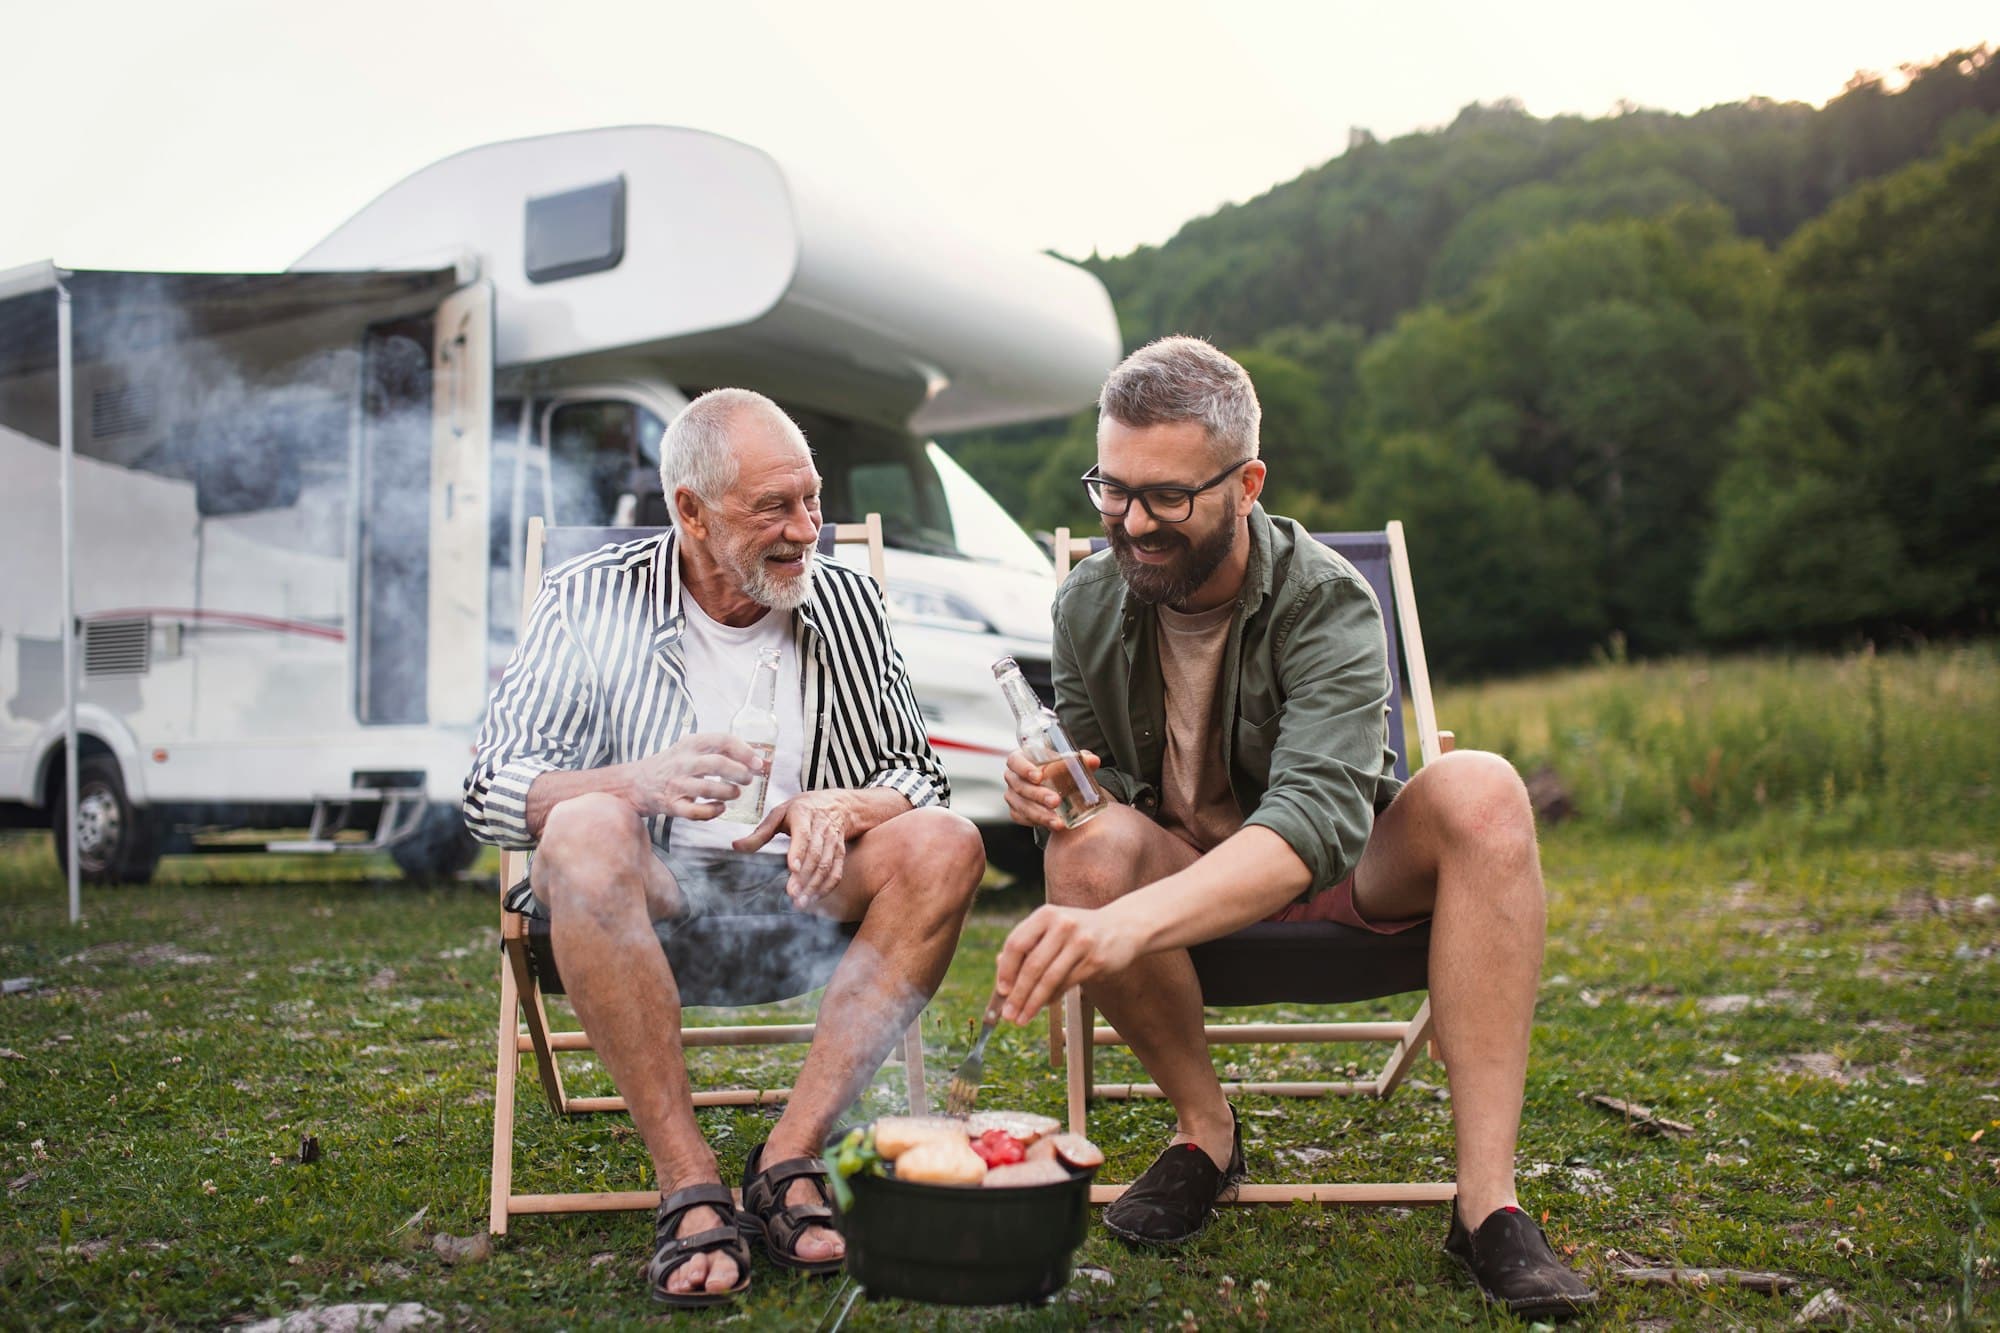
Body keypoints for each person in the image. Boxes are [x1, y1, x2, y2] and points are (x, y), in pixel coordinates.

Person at [992, 337, 1596, 1320]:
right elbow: (1100, 803)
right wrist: (1049, 796)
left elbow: (1316, 822)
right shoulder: (1086, 604)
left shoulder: (1326, 600)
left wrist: (1115, 928)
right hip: (1184, 864)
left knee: (1481, 785)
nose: (1131, 523)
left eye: (1166, 497)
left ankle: (1486, 1204)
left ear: (1247, 482)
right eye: (1112, 487)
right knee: (1087, 843)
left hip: (1347, 865)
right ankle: (1205, 1134)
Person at [464, 388, 983, 1309]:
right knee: (584, 826)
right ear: (690, 511)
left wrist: (842, 802)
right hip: (650, 891)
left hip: (801, 890)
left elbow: (918, 774)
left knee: (945, 841)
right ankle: (688, 1181)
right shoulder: (590, 596)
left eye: (813, 500)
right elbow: (491, 785)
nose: (806, 530)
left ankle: (790, 1155)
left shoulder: (847, 604)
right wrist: (634, 783)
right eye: (774, 508)